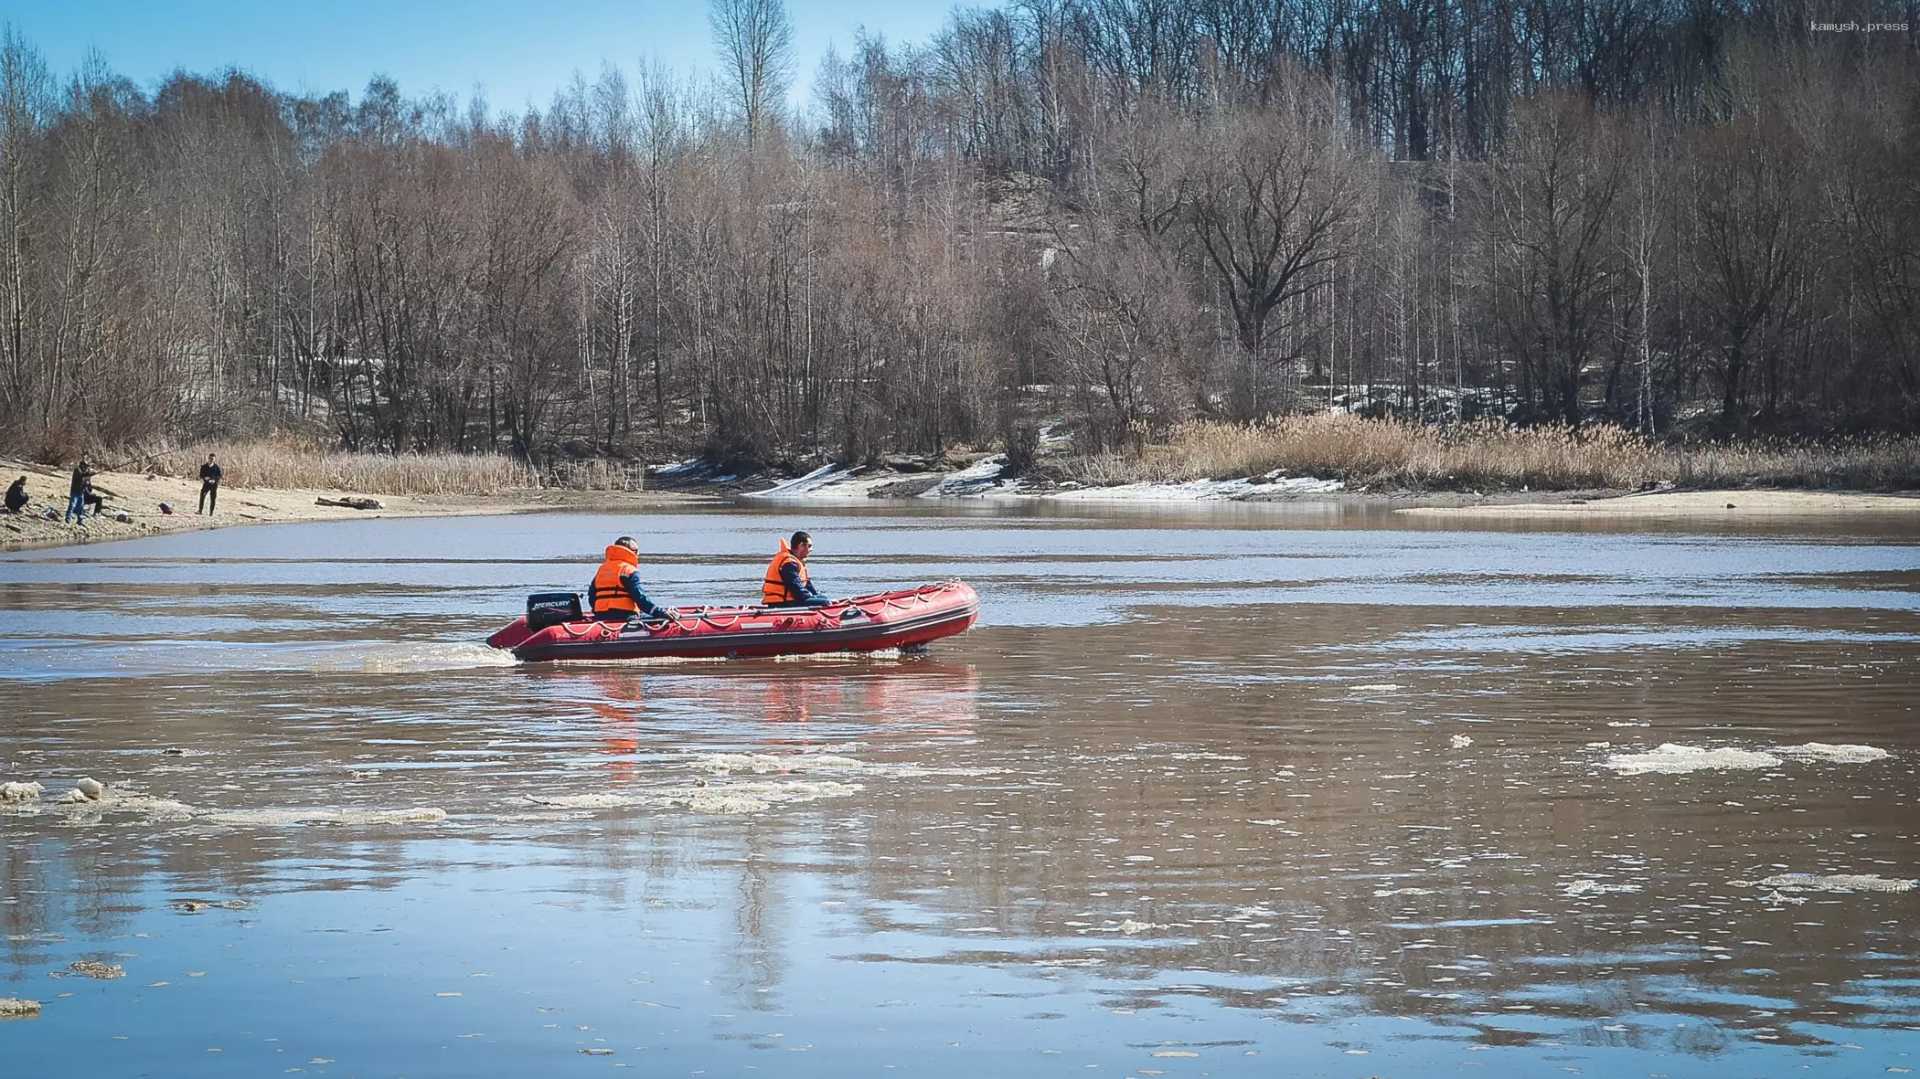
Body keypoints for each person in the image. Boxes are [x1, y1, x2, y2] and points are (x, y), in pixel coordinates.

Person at [589, 536, 666, 620]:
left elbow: (591, 596)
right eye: (636, 551)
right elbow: (640, 598)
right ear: (631, 552)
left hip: (601, 615)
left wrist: (599, 611)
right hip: (625, 615)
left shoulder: (602, 569)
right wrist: (659, 612)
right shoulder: (628, 570)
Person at [761, 530, 829, 608]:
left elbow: (807, 584)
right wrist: (812, 598)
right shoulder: (789, 563)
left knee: (823, 598)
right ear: (801, 545)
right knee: (825, 602)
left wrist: (815, 595)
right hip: (782, 602)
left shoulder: (794, 561)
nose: (811, 549)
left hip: (790, 600)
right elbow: (796, 588)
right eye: (809, 546)